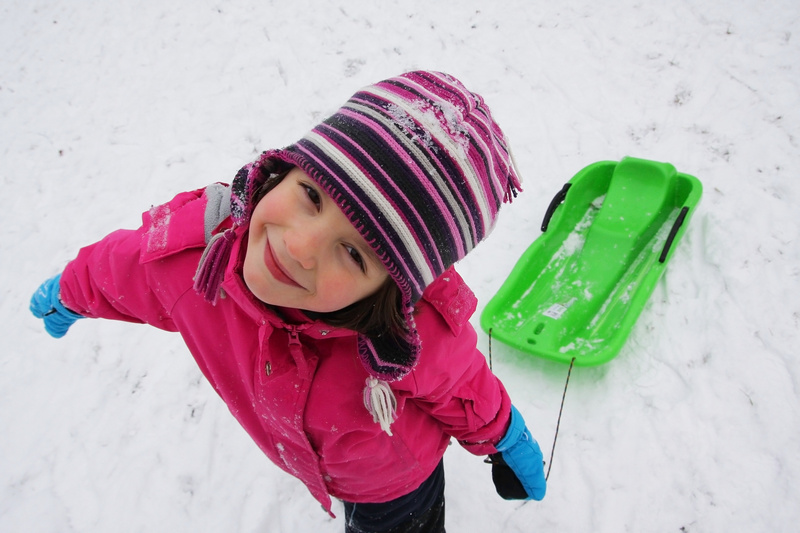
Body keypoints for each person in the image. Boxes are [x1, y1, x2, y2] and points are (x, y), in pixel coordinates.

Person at [30, 71, 546, 532]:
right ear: (284, 169)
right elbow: (117, 268)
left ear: (390, 292)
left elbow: (458, 386)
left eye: (353, 252)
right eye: (312, 196)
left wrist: (503, 437)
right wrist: (70, 293)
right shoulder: (193, 258)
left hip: (393, 481)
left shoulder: (406, 337)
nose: (298, 247)